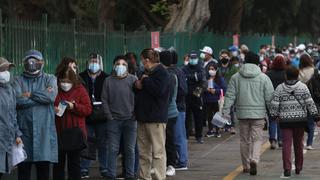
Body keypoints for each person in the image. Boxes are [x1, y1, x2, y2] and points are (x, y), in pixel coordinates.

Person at [222, 51, 274, 176]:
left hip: (242, 114)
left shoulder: (236, 77)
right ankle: (254, 160)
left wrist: (225, 111)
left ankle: (245, 165)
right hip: (259, 114)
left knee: (244, 140)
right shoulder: (264, 78)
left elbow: (230, 96)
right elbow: (270, 97)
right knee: (257, 139)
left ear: (244, 61)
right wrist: (273, 112)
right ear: (258, 63)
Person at [13, 50, 58, 180]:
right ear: (24, 63)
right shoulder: (17, 80)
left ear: (42, 63)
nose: (32, 64)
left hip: (44, 135)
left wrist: (30, 94)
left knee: (43, 172)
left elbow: (50, 97)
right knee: (24, 172)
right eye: (29, 61)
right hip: (24, 133)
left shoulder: (50, 78)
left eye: (35, 61)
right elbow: (17, 100)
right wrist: (41, 96)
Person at [269, 66, 319, 177]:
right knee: (299, 144)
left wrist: (273, 116)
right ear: (297, 75)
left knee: (286, 145)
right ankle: (298, 167)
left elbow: (274, 104)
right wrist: (316, 117)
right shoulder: (303, 87)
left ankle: (287, 168)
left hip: (285, 121)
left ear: (286, 75)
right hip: (300, 121)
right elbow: (310, 103)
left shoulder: (280, 88)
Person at [134, 48, 171, 180]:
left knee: (158, 152)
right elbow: (140, 90)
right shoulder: (145, 73)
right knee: (143, 152)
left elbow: (158, 91)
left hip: (156, 119)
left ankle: (160, 177)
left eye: (142, 60)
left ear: (147, 60)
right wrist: (137, 85)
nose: (141, 63)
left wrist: (145, 81)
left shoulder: (162, 73)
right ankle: (145, 176)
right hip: (143, 118)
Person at [101, 56, 137, 179]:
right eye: (118, 63)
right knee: (112, 149)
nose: (120, 66)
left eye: (123, 64)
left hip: (130, 120)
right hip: (113, 121)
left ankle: (130, 175)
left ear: (127, 67)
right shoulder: (108, 81)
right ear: (114, 66)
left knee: (130, 149)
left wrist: (135, 114)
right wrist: (109, 116)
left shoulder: (133, 79)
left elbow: (138, 98)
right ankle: (111, 174)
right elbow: (104, 99)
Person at [53, 65, 92, 180]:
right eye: (62, 81)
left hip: (75, 133)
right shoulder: (55, 90)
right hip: (58, 131)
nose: (65, 84)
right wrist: (53, 109)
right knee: (58, 164)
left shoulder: (80, 89)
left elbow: (88, 109)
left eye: (68, 81)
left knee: (74, 164)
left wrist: (74, 106)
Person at [79, 53, 109, 178]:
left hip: (102, 115)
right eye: (91, 61)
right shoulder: (81, 77)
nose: (94, 64)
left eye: (96, 61)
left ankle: (104, 168)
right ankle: (84, 168)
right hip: (87, 115)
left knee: (103, 143)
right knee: (87, 141)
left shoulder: (106, 77)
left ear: (100, 64)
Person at [0, 57, 23, 179]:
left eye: (7, 69)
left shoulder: (10, 90)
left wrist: (17, 134)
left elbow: (13, 114)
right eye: (3, 69)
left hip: (7, 140)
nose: (6, 72)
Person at [159, 50, 179, 177]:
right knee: (166, 140)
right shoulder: (173, 74)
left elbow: (167, 97)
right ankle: (168, 164)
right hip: (171, 112)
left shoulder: (167, 76)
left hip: (168, 113)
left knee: (167, 140)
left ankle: (171, 164)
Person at [169, 49, 189, 170]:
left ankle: (182, 161)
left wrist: (174, 99)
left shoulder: (176, 72)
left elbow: (183, 90)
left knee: (178, 135)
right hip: (177, 107)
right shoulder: (179, 71)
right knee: (177, 135)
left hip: (178, 108)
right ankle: (179, 160)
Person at [183, 50, 207, 143]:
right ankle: (186, 135)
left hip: (197, 96)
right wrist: (195, 77)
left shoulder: (200, 68)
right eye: (191, 58)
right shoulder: (184, 68)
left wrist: (197, 93)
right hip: (187, 96)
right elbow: (184, 79)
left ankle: (199, 136)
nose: (193, 60)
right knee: (187, 117)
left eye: (194, 58)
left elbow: (202, 81)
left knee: (198, 117)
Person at [266, 54, 287, 149]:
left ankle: (272, 140)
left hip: (271, 100)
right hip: (283, 100)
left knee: (272, 120)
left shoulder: (268, 74)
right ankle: (281, 139)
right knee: (281, 120)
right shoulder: (286, 73)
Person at [298, 54, 316, 150]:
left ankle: (301, 141)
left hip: (300, 99)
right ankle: (309, 144)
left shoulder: (299, 72)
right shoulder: (314, 71)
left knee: (300, 122)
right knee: (311, 122)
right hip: (312, 99)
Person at [218, 50, 239, 134]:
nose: (224, 58)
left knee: (230, 108)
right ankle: (221, 125)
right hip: (219, 90)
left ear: (229, 58)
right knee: (220, 108)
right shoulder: (217, 67)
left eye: (225, 57)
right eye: (222, 57)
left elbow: (236, 78)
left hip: (230, 90)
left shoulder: (233, 68)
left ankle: (230, 126)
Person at [203, 63, 226, 138]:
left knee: (217, 116)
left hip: (216, 100)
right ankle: (210, 130)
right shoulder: (206, 79)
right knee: (209, 116)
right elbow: (202, 88)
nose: (211, 71)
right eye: (210, 69)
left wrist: (215, 91)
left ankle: (217, 130)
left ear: (216, 70)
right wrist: (206, 90)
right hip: (207, 100)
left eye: (213, 69)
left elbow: (223, 90)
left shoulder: (220, 79)